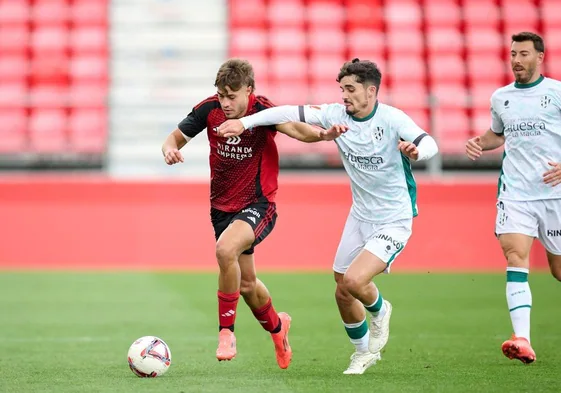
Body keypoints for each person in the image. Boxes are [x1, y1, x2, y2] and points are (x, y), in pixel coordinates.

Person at [217, 58, 439, 374]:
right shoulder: (335, 114)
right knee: (341, 288)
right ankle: (363, 353)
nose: (344, 95)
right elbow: (286, 112)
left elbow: (428, 142)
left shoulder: (392, 119)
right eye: (342, 89)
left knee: (354, 281)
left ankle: (380, 309)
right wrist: (247, 122)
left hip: (394, 218)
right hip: (360, 215)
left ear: (371, 91)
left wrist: (418, 152)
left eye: (350, 89)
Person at [161, 58, 345, 369]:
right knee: (247, 285)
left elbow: (298, 130)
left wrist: (323, 136)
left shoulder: (263, 111)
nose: (226, 102)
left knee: (225, 249)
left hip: (259, 204)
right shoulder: (209, 110)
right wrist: (168, 149)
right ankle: (278, 328)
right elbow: (175, 137)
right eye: (221, 95)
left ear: (249, 90)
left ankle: (226, 332)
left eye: (232, 95)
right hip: (221, 208)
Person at [465, 32, 561, 364]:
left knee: (558, 271)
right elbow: (498, 134)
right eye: (512, 54)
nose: (516, 60)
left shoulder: (557, 93)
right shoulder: (501, 97)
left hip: (555, 195)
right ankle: (522, 338)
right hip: (516, 194)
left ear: (540, 57)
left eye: (523, 54)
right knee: (515, 257)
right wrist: (480, 141)